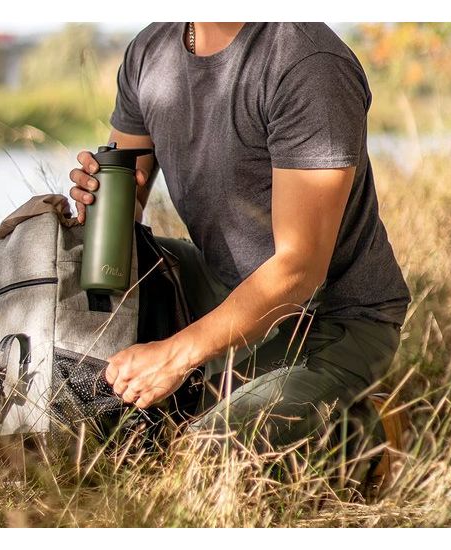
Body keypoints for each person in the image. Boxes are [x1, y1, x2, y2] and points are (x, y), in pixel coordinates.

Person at [69, 23, 412, 459]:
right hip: (222, 287)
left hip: (328, 318)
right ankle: (227, 388)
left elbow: (298, 271)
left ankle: (367, 435)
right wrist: (97, 198)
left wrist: (174, 356)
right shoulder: (149, 51)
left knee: (204, 461)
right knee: (61, 264)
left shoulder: (307, 63)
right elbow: (127, 202)